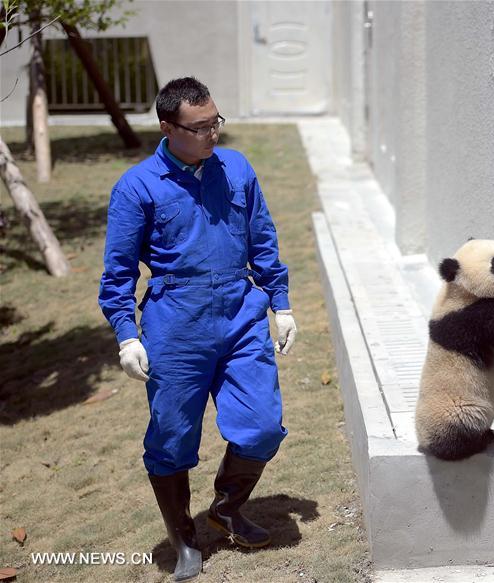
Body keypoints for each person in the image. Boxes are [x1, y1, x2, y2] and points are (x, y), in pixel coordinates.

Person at [98, 77, 297, 581]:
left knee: (262, 425)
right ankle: (183, 537)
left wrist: (281, 303)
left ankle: (226, 508)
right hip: (175, 322)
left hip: (241, 312)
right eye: (201, 126)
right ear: (168, 128)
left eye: (216, 122)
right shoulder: (138, 186)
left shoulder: (237, 168)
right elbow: (118, 274)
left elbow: (263, 236)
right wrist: (126, 334)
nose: (213, 133)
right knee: (172, 437)